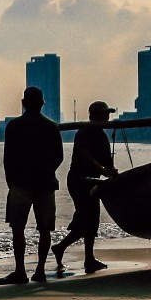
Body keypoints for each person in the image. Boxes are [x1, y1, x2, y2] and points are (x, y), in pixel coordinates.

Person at [0, 85, 63, 284]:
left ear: (23, 103)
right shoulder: (52, 127)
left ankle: (20, 271)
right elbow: (59, 157)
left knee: (18, 228)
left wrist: (11, 181)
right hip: (45, 184)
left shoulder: (14, 126)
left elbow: (7, 158)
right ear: (42, 104)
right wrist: (46, 171)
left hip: (20, 183)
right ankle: (40, 270)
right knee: (45, 229)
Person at [52, 100, 118, 274]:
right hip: (79, 181)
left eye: (107, 115)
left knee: (89, 219)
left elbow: (106, 162)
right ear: (92, 116)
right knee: (87, 218)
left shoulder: (103, 137)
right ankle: (86, 258)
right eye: (103, 114)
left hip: (93, 182)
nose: (106, 117)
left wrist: (110, 171)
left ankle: (65, 249)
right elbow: (85, 156)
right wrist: (103, 170)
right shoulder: (83, 132)